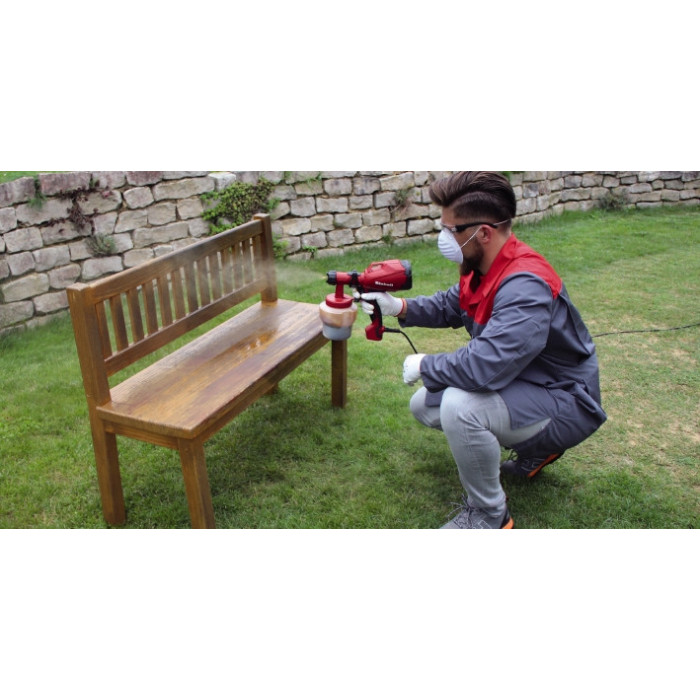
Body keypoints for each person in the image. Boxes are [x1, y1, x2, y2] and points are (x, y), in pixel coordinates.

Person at [359, 171, 606, 529]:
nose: (444, 238)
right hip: (525, 381)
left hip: (564, 399)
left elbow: (484, 366)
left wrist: (426, 365)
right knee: (425, 406)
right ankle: (538, 449)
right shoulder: (485, 265)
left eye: (451, 230)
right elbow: (452, 304)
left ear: (484, 233)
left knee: (460, 407)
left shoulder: (525, 286)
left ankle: (490, 515)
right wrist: (398, 307)